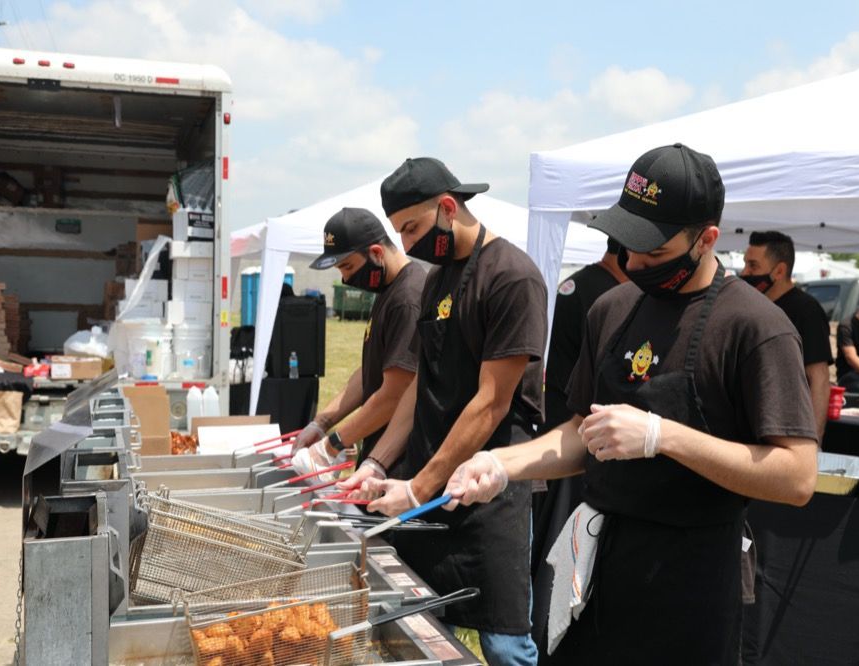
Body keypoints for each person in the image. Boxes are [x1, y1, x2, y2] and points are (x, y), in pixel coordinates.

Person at [442, 144, 818, 664]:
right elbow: (581, 432)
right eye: (627, 242)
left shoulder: (756, 328)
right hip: (596, 569)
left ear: (706, 238)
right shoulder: (611, 310)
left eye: (654, 251)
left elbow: (797, 477)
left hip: (691, 584)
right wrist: (501, 464)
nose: (633, 261)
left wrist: (664, 437)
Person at [340, 157, 547, 666]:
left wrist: (420, 486)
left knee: (504, 643)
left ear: (448, 208)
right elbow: (416, 392)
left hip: (492, 488)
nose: (405, 244)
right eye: (397, 232)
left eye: (411, 227)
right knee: (425, 633)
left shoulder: (512, 276)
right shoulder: (436, 282)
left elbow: (491, 401)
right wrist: (379, 463)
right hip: (434, 485)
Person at [531, 233, 627, 661]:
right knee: (562, 551)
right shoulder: (607, 296)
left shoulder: (578, 285)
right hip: (578, 438)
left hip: (563, 428)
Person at [290, 207, 425, 481]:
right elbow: (369, 373)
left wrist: (331, 446)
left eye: (348, 266)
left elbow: (394, 394)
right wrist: (322, 422)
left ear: (376, 253)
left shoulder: (408, 298)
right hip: (376, 451)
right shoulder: (389, 290)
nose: (346, 278)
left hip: (400, 462)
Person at [740, 230, 833, 439]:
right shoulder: (750, 306)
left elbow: (818, 379)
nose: (745, 273)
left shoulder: (806, 310)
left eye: (753, 266)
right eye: (745, 264)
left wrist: (813, 441)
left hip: (786, 433)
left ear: (779, 271)